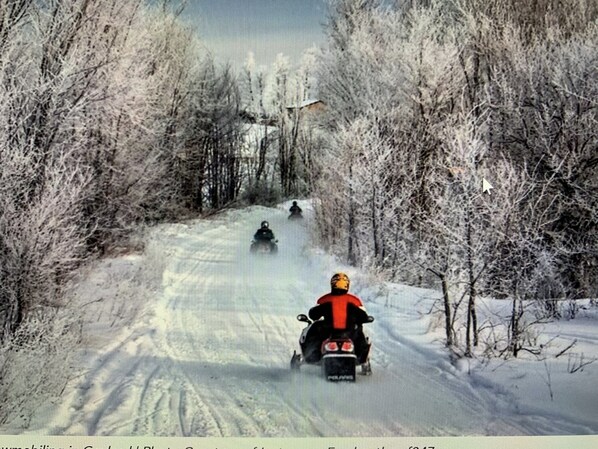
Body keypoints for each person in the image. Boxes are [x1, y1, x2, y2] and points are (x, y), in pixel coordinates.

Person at [302, 272, 372, 367]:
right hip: (349, 332)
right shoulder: (354, 300)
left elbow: (313, 315)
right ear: (347, 285)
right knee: (360, 333)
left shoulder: (324, 299)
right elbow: (363, 317)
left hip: (328, 332)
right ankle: (361, 358)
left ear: (332, 284)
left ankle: (312, 355)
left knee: (313, 329)